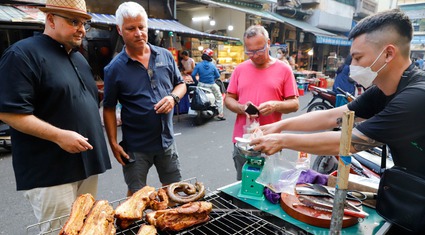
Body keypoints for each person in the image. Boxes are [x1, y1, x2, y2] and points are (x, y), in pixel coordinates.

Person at [250, 10, 425, 234]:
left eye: (359, 57)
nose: (352, 65)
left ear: (388, 54)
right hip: (410, 192)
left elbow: (348, 142)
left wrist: (282, 140)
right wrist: (280, 126)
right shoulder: (383, 90)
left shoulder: (416, 97)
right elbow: (334, 115)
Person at [0, 0, 111, 232]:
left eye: (83, 23)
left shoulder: (78, 58)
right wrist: (59, 136)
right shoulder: (22, 54)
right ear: (50, 19)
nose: (81, 28)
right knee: (61, 231)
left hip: (87, 165)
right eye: (73, 21)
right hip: (51, 172)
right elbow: (9, 112)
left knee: (89, 229)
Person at [103, 2, 186, 197]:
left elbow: (181, 84)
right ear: (120, 30)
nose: (138, 33)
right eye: (131, 29)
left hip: (167, 142)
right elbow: (108, 107)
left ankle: (170, 225)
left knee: (173, 191)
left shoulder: (165, 56)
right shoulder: (114, 68)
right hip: (135, 147)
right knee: (136, 196)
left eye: (142, 27)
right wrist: (113, 143)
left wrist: (173, 98)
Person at [224, 25, 299, 180]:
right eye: (250, 51)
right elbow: (229, 98)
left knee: (269, 184)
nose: (255, 55)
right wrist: (241, 107)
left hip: (271, 141)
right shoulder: (240, 69)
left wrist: (276, 105)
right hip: (243, 141)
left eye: (259, 50)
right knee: (244, 183)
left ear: (269, 43)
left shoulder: (284, 69)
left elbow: (294, 104)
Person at [191, 48, 225, 120]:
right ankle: (220, 114)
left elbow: (193, 75)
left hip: (201, 85)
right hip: (211, 85)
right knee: (219, 97)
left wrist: (196, 82)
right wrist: (213, 79)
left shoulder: (198, 65)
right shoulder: (212, 65)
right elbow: (218, 76)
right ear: (210, 57)